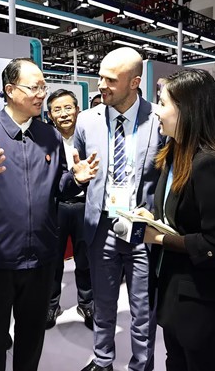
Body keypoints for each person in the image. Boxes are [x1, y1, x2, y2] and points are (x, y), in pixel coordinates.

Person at [0, 58, 99, 371]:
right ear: (10, 90)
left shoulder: (49, 135)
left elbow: (58, 186)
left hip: (41, 256)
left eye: (43, 86)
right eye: (34, 87)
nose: (41, 93)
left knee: (31, 339)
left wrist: (76, 179)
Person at [140, 68, 215, 370]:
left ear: (187, 110)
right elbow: (184, 217)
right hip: (176, 291)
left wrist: (160, 238)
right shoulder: (174, 154)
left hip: (204, 299)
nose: (156, 111)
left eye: (163, 103)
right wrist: (155, 218)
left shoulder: (210, 163)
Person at [73, 47, 164, 371]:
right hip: (102, 226)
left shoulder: (159, 119)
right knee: (103, 301)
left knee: (142, 307)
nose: (101, 85)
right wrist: (78, 176)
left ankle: (142, 364)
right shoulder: (86, 120)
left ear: (134, 82)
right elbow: (79, 166)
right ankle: (102, 360)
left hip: (142, 229)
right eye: (100, 77)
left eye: (110, 80)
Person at [45, 89, 93, 330]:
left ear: (77, 110)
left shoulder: (90, 136)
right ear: (50, 115)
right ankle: (51, 305)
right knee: (53, 260)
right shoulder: (44, 139)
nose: (63, 114)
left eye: (68, 108)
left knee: (85, 258)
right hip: (56, 207)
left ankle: (87, 303)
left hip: (85, 204)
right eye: (57, 109)